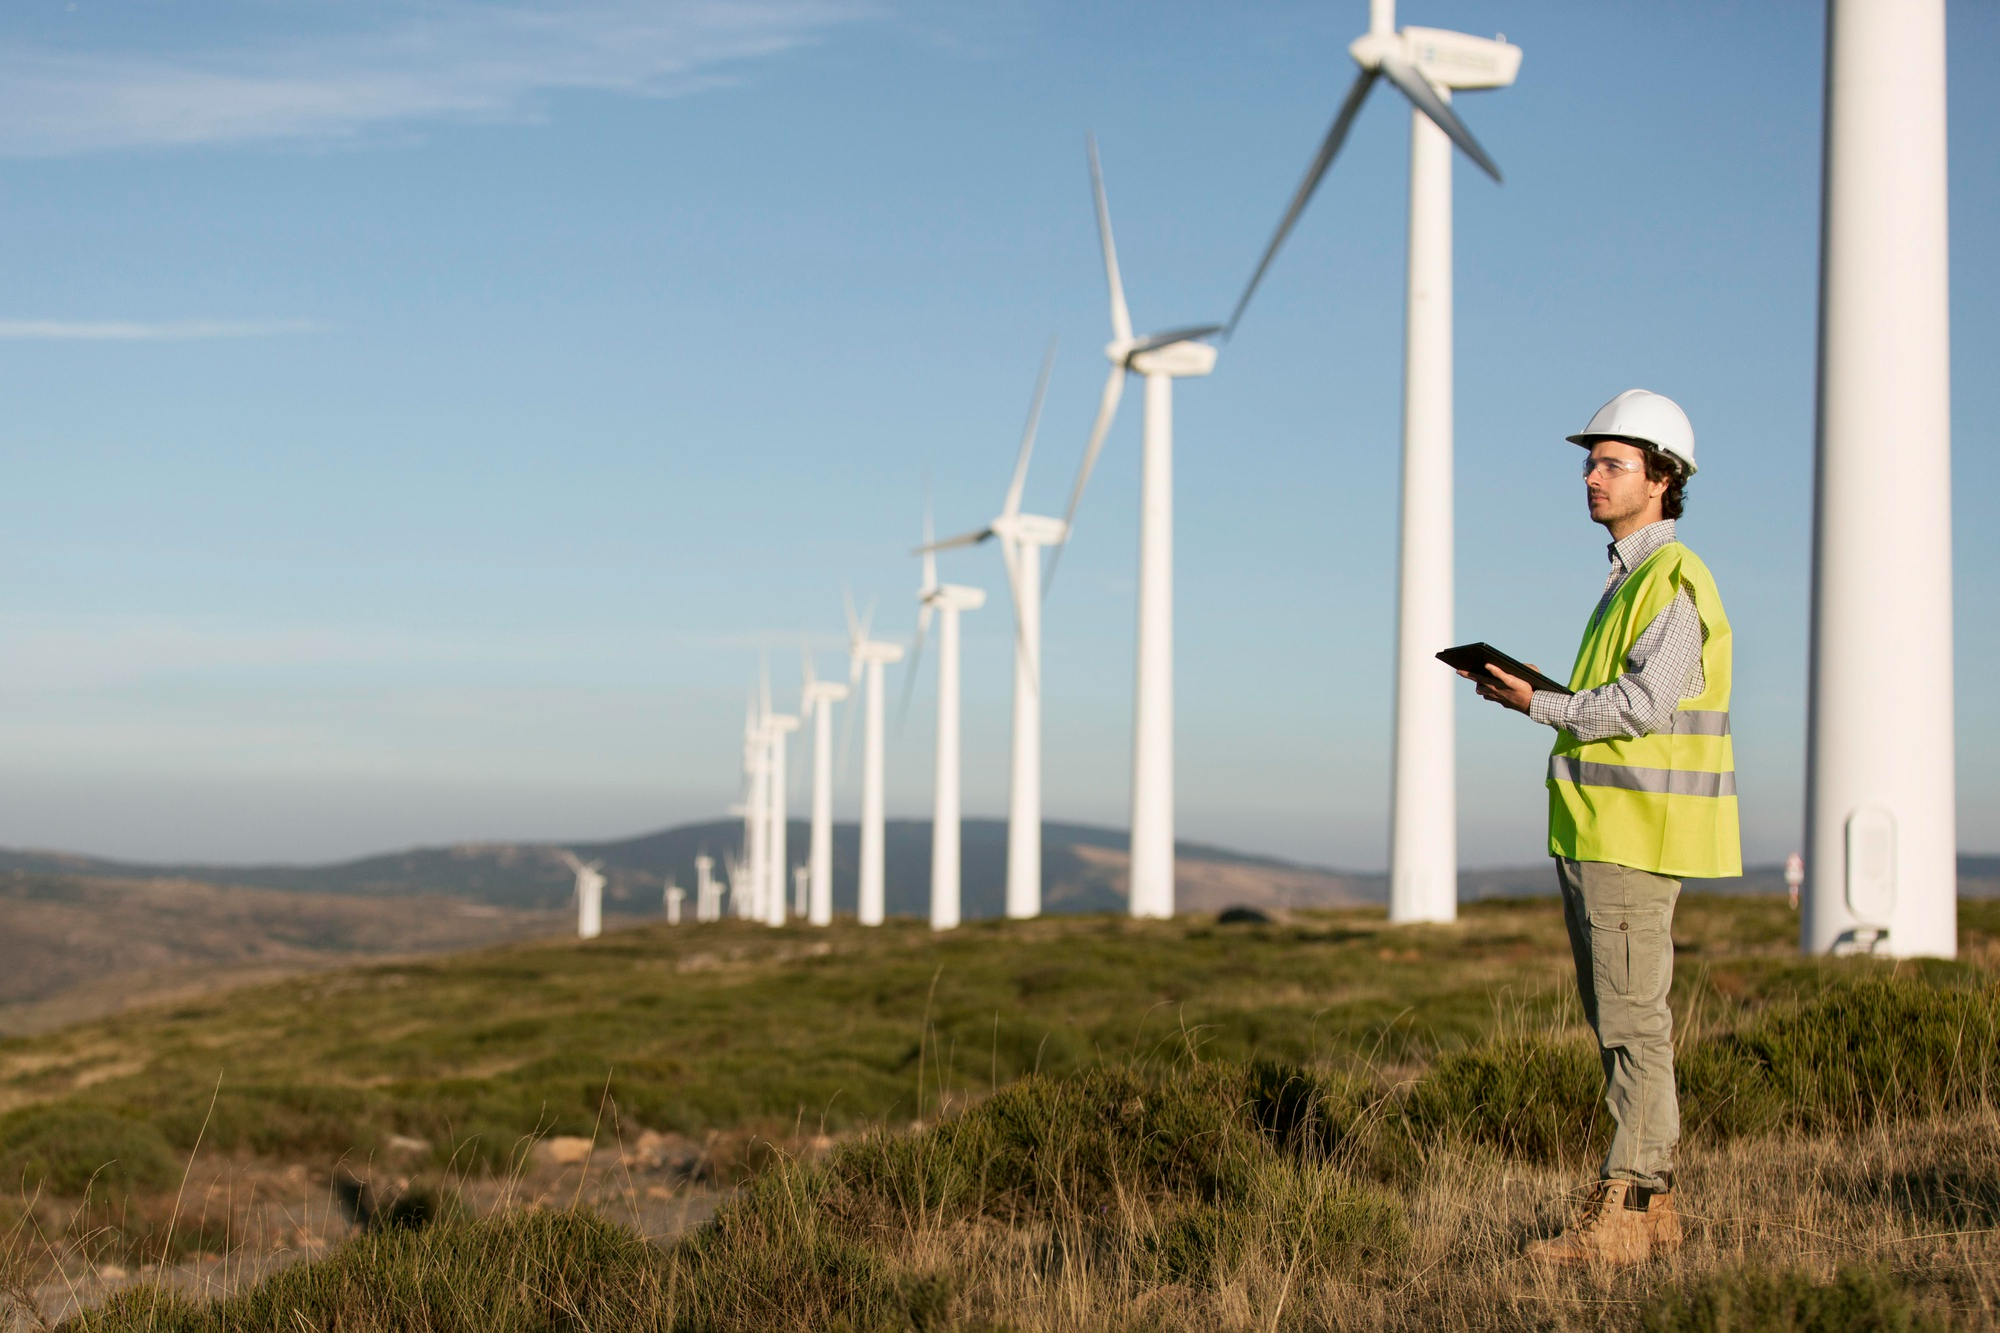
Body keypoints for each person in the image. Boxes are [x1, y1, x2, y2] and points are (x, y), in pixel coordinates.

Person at [1460, 389, 1739, 1266]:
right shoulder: (1627, 580)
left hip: (1633, 834)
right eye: (1590, 460)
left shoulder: (1670, 580)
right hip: (1602, 831)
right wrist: (1541, 697)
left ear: (1661, 479)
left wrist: (1539, 701)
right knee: (1622, 1016)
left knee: (1629, 1021)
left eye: (1612, 463)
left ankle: (1625, 1203)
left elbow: (1648, 703)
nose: (1591, 475)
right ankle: (1652, 1208)